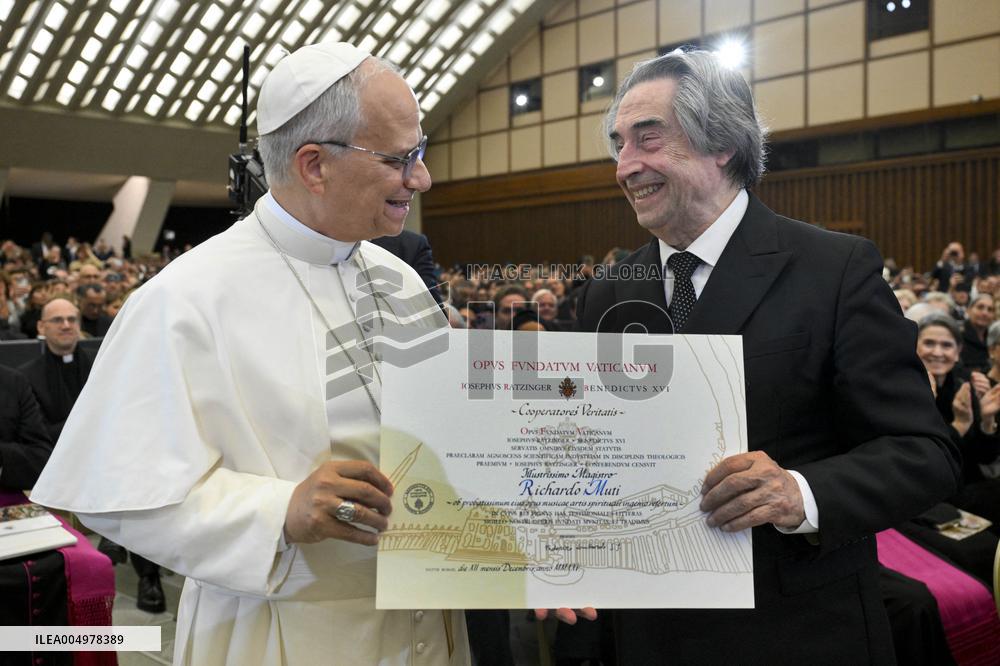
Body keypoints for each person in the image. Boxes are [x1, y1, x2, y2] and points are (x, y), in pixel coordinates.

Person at [31, 42, 468, 665]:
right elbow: (119, 496)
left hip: (431, 627)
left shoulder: (398, 282)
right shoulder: (185, 298)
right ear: (314, 164)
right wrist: (279, 511)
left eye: (418, 154)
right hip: (281, 635)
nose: (420, 178)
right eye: (402, 158)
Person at [566, 49, 961, 664]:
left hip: (799, 631)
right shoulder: (606, 292)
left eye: (648, 139)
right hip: (647, 634)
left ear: (721, 143)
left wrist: (797, 494)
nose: (625, 166)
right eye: (618, 144)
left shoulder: (834, 270)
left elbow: (924, 453)